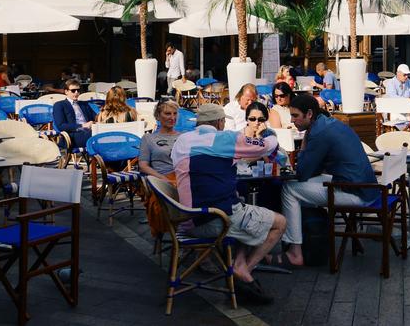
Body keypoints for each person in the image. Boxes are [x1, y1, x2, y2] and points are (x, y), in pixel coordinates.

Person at [171, 103, 284, 303]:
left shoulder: (181, 140)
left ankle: (239, 265)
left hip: (184, 220)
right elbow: (267, 146)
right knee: (280, 223)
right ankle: (243, 271)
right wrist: (269, 133)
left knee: (242, 209)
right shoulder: (225, 138)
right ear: (219, 122)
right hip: (215, 219)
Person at [281, 94, 377, 267]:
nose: (292, 120)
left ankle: (295, 251)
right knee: (298, 187)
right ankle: (313, 235)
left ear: (309, 114)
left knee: (289, 189)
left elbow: (302, 172)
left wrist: (304, 144)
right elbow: (312, 172)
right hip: (367, 188)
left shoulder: (318, 133)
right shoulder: (332, 124)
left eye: (295, 115)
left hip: (356, 194)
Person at [139, 101, 182, 236]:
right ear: (158, 116)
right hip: (162, 178)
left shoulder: (183, 136)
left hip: (182, 177)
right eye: (167, 113)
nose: (172, 117)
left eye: (175, 114)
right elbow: (143, 165)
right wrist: (162, 178)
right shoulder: (148, 138)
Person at [53, 79, 95, 149]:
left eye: (78, 90)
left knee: (106, 134)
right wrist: (82, 125)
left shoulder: (84, 104)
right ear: (66, 91)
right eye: (73, 90)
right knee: (100, 137)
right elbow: (61, 126)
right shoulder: (60, 105)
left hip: (89, 132)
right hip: (73, 136)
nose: (76, 92)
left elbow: (95, 117)